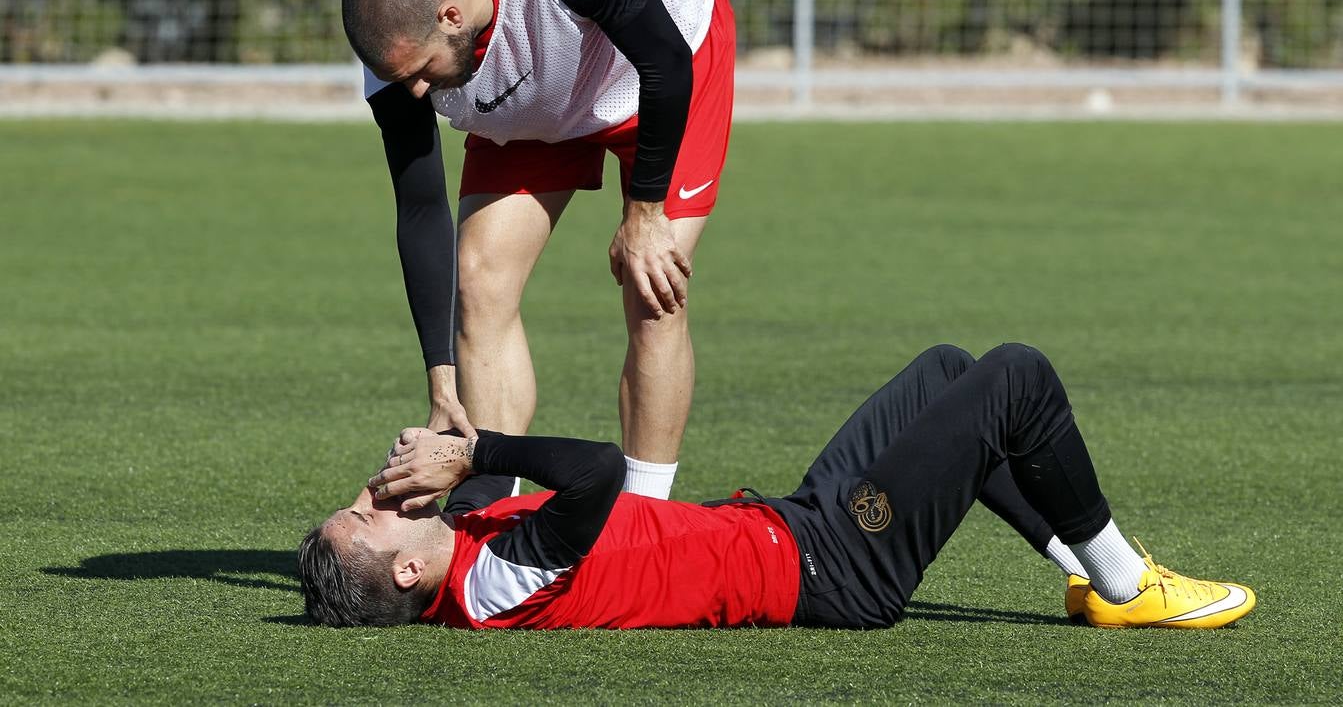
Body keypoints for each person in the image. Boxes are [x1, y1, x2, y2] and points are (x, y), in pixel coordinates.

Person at [298, 343, 1256, 631]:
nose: (376, 497)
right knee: (1016, 377)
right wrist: (475, 454)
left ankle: (1078, 571)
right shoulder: (491, 584)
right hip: (835, 568)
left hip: (793, 525)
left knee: (943, 372)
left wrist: (446, 444)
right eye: (372, 520)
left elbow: (474, 479)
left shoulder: (454, 548)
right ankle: (1130, 588)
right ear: (415, 572)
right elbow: (593, 470)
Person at [340, 0, 736, 502]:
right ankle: (487, 507)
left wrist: (644, 214)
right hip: (534, 88)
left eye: (421, 74)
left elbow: (662, 63)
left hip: (661, 70)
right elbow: (420, 210)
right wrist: (441, 381)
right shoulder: (398, 54)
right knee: (480, 279)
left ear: (450, 15)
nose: (417, 94)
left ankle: (640, 520)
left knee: (651, 286)